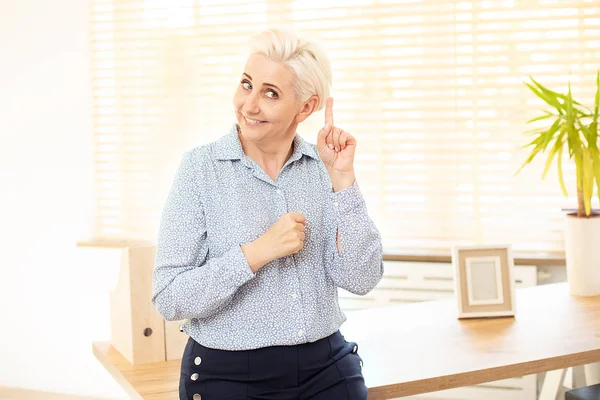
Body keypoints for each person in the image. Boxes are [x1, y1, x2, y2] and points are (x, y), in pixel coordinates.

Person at [151, 28, 384, 400]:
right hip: (228, 375)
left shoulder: (324, 168)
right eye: (246, 85)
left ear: (306, 107)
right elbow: (169, 298)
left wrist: (343, 181)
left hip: (326, 367)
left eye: (270, 93)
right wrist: (255, 252)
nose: (249, 105)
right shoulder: (200, 169)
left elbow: (362, 278)